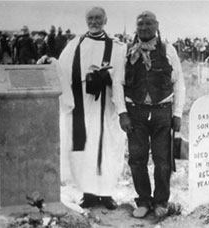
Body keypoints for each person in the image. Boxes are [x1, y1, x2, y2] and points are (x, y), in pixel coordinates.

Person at [58, 6, 127, 210]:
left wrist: (104, 77)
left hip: (106, 105)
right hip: (81, 105)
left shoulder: (116, 46)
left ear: (105, 20)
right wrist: (50, 62)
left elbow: (120, 76)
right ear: (86, 20)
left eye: (98, 18)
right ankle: (88, 193)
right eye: (90, 18)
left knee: (107, 146)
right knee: (85, 147)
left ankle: (106, 193)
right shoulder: (74, 44)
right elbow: (61, 69)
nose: (94, 22)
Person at [119, 11, 185, 218]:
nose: (145, 28)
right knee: (137, 159)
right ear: (136, 28)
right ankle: (143, 201)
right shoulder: (127, 52)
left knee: (163, 160)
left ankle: (161, 202)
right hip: (135, 113)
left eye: (149, 24)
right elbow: (117, 83)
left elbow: (179, 84)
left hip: (162, 113)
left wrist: (177, 114)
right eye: (140, 25)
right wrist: (123, 113)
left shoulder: (168, 50)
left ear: (157, 26)